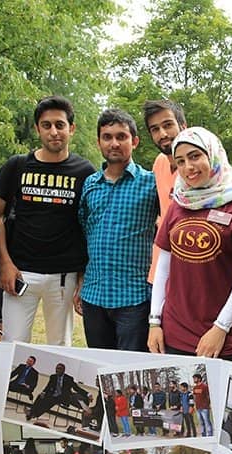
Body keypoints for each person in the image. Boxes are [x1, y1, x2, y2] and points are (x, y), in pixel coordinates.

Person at [147, 127, 232, 363]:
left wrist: (220, 328)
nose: (188, 166)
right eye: (180, 161)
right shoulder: (179, 203)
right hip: (175, 334)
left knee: (219, 401)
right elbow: (163, 268)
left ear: (213, 154)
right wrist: (155, 321)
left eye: (195, 156)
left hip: (221, 340)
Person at [0, 96, 95, 345]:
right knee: (13, 343)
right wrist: (5, 263)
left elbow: (89, 226)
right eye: (46, 125)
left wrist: (82, 277)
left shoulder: (85, 172)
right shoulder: (17, 166)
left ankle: (58, 385)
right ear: (37, 129)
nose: (54, 132)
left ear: (71, 128)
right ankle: (12, 385)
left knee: (61, 346)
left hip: (63, 275)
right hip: (20, 272)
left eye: (60, 125)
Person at [77, 109, 158, 351]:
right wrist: (81, 282)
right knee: (99, 369)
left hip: (134, 298)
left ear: (134, 141)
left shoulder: (151, 183)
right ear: (99, 142)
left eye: (121, 137)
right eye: (107, 137)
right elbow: (85, 230)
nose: (114, 143)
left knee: (130, 373)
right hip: (94, 295)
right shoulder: (90, 184)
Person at [142, 99, 187, 282]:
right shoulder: (159, 162)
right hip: (159, 270)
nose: (163, 134)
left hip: (188, 270)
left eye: (168, 125)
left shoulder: (199, 169)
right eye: (155, 129)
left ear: (183, 126)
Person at [26, 363, 91, 421]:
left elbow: (77, 388)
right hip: (54, 395)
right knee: (40, 396)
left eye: (59, 369)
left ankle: (33, 414)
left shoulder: (68, 379)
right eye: (56, 368)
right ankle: (32, 413)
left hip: (64, 398)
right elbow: (48, 387)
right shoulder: (53, 377)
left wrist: (88, 394)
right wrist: (43, 392)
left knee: (50, 401)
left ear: (63, 370)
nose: (57, 370)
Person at [191, 373, 212, 437]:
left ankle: (210, 435)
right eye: (193, 378)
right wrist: (194, 406)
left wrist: (207, 405)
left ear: (199, 379)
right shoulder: (194, 388)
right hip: (198, 408)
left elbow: (208, 396)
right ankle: (203, 435)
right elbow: (194, 397)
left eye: (195, 378)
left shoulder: (204, 386)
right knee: (201, 423)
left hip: (204, 408)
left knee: (207, 422)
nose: (194, 380)